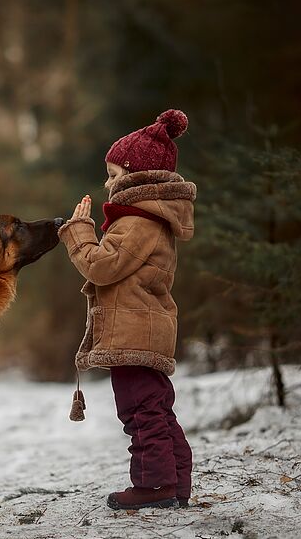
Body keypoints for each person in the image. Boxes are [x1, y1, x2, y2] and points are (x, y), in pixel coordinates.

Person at [57, 109, 197, 510]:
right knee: (156, 408)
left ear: (136, 177)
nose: (107, 183)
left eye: (114, 174)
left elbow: (102, 267)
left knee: (140, 411)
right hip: (144, 326)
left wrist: (79, 233)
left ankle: (154, 486)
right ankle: (175, 482)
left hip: (134, 329)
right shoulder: (149, 219)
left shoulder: (138, 221)